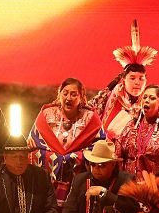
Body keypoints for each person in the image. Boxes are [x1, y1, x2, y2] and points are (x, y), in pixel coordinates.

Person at [28, 78, 106, 206]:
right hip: (48, 178)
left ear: (81, 97)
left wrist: (76, 157)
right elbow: (33, 141)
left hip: (77, 177)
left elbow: (99, 145)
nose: (68, 98)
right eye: (65, 93)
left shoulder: (90, 117)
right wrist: (56, 158)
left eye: (73, 94)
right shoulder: (47, 113)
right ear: (59, 94)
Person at [90, 20, 157, 139]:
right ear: (123, 79)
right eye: (132, 78)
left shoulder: (150, 101)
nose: (137, 82)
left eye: (141, 78)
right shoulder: (109, 97)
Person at [115, 85, 159, 177]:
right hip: (129, 185)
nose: (147, 100)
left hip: (154, 186)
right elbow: (118, 152)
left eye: (152, 98)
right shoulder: (131, 126)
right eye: (144, 97)